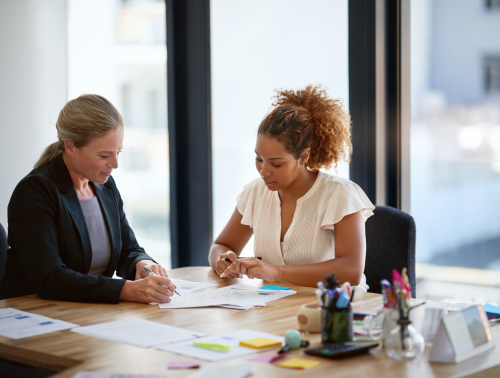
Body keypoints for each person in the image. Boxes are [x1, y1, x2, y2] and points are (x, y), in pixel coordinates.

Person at [0, 94, 175, 303]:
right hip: (36, 315)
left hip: (89, 313)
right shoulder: (34, 192)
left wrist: (142, 264)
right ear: (70, 147)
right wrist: (127, 290)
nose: (115, 164)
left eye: (118, 152)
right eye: (104, 156)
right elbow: (50, 279)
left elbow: (128, 250)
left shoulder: (104, 185)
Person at [209, 86, 375, 290]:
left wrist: (275, 272)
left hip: (334, 311)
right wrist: (223, 260)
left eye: (276, 164)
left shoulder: (340, 194)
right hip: (276, 309)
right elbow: (221, 246)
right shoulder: (255, 192)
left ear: (304, 157)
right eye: (259, 159)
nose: (264, 171)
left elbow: (352, 271)